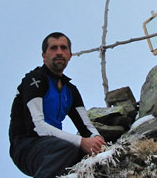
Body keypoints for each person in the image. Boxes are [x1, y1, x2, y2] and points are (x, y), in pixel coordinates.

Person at [9, 32, 106, 178]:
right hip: (26, 145)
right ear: (44, 55)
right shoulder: (35, 80)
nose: (59, 52)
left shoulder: (70, 91)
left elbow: (86, 127)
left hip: (53, 145)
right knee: (69, 148)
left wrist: (98, 141)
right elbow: (38, 126)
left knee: (85, 154)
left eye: (63, 48)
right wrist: (81, 142)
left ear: (70, 55)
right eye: (53, 48)